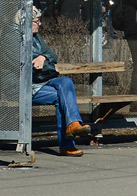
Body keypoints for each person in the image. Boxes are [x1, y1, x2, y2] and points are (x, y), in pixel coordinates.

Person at [26, 11, 91, 156]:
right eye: (37, 21)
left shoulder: (37, 38)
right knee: (63, 97)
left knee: (66, 81)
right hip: (26, 87)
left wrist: (43, 57)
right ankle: (67, 144)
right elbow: (27, 65)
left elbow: (52, 56)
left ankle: (73, 124)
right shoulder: (14, 38)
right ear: (26, 22)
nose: (39, 24)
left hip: (42, 81)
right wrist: (46, 63)